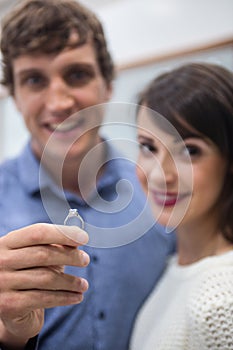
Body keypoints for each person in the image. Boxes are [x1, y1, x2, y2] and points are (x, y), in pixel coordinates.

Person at [0, 0, 175, 349]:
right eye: (34, 80)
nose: (59, 102)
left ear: (108, 85)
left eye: (77, 74)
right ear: (15, 97)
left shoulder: (162, 194)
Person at [130, 62, 233, 349]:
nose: (161, 173)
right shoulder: (175, 267)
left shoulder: (219, 302)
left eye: (189, 151)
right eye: (149, 147)